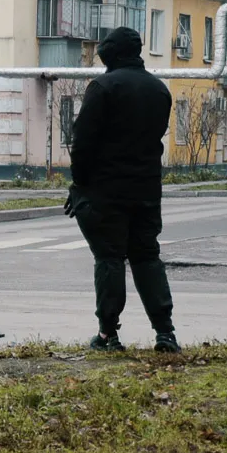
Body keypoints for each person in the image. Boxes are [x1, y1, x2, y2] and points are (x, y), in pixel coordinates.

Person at [65, 26, 180, 353]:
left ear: (109, 55)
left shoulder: (103, 87)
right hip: (146, 190)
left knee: (110, 259)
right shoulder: (159, 90)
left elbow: (82, 144)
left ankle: (107, 335)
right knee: (147, 258)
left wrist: (79, 186)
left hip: (105, 192)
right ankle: (165, 332)